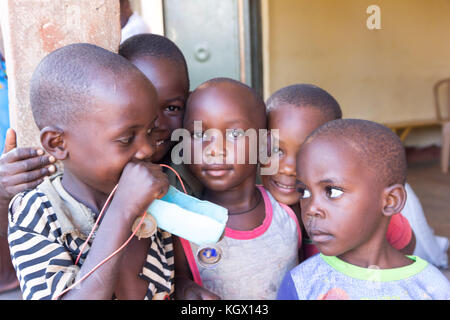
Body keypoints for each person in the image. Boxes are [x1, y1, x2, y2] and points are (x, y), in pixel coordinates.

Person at [7, 43, 172, 300]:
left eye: (150, 131)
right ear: (57, 143)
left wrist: (184, 287)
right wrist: (121, 210)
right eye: (127, 138)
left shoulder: (153, 197)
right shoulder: (38, 213)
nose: (147, 149)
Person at [277, 119, 450, 300]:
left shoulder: (433, 288)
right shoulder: (302, 283)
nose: (311, 208)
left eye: (332, 191)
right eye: (304, 192)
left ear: (390, 201)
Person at [174, 78, 301, 300]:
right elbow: (174, 283)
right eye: (198, 134)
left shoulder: (289, 214)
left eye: (235, 134)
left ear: (264, 144)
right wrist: (183, 288)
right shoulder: (183, 226)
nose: (214, 150)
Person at [261, 84, 416, 260]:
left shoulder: (366, 211)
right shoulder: (254, 209)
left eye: (305, 153)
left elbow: (404, 246)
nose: (288, 168)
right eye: (274, 150)